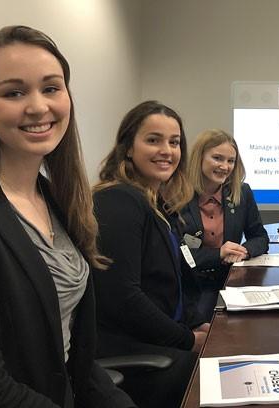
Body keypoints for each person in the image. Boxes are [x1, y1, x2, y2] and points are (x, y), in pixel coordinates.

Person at [0, 25, 134, 407]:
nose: (39, 107)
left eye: (51, 88)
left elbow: (76, 359)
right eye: (14, 92)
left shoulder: (57, 199)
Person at [92, 101, 210, 408]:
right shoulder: (117, 200)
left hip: (159, 338)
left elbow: (175, 280)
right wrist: (187, 339)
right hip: (133, 351)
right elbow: (122, 297)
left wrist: (197, 324)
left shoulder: (156, 203)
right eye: (153, 140)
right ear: (128, 147)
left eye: (174, 142)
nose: (167, 151)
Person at [176, 129, 269, 319]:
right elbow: (175, 255)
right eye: (217, 158)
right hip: (188, 286)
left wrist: (244, 251)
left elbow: (260, 237)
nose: (225, 166)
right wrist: (218, 254)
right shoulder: (177, 195)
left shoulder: (241, 192)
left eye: (231, 161)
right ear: (199, 158)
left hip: (229, 281)